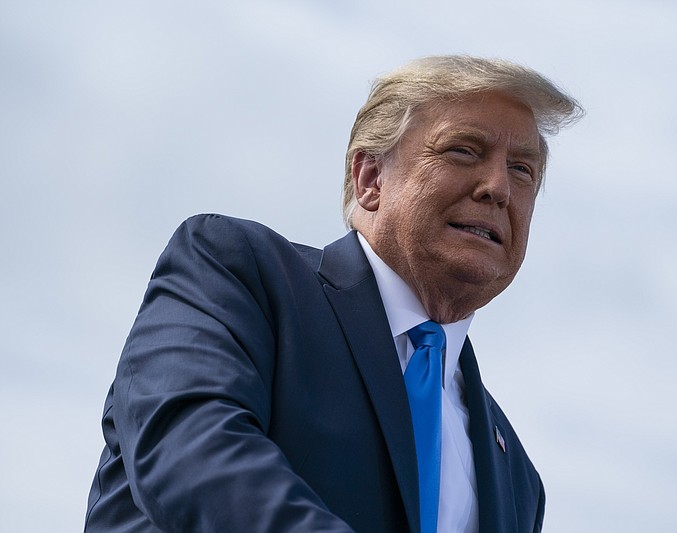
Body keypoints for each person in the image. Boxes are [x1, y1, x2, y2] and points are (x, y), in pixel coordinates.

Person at [84, 55, 581, 532]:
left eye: (523, 170)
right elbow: (191, 452)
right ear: (369, 179)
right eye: (464, 150)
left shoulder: (518, 478)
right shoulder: (239, 273)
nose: (498, 186)